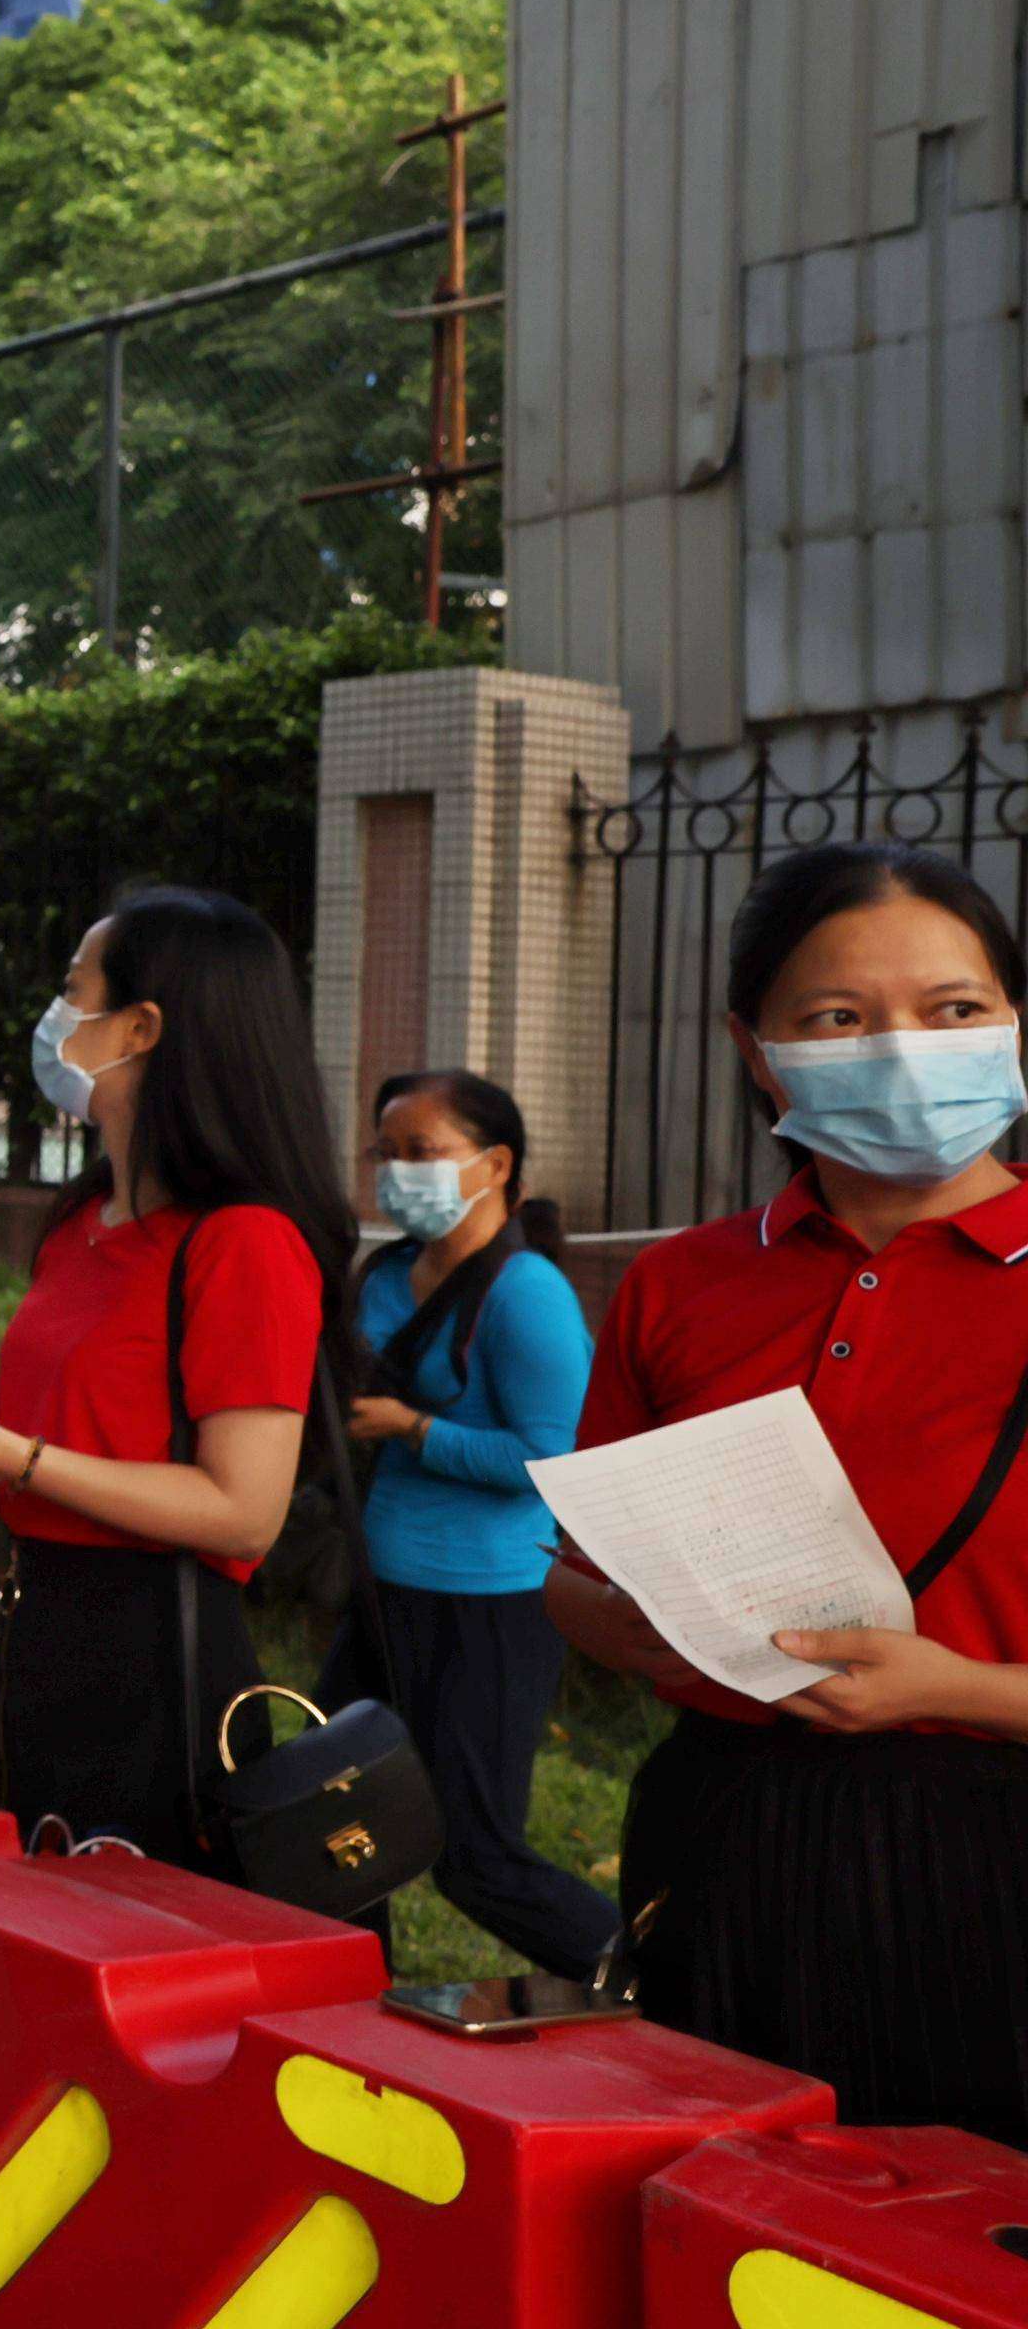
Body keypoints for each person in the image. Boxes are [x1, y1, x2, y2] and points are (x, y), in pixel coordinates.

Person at [553, 841, 1028, 2144]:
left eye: (954, 1011)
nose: (902, 1051)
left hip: (992, 1848)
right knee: (711, 2207)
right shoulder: (682, 1285)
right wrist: (625, 1618)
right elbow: (572, 1569)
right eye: (837, 1019)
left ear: (1014, 1023)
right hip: (722, 1829)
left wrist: (957, 1692)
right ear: (758, 1049)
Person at [0, 888, 349, 1871]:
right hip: (38, 1636)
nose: (53, 1019)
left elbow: (242, 1512)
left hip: (158, 1666)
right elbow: (62, 1469)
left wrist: (6, 1452)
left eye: (73, 992)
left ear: (141, 1028)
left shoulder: (246, 1244)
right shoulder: (81, 1222)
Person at [321, 1069, 616, 1978]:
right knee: (331, 1822)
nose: (399, 1173)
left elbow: (553, 1459)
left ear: (494, 1165)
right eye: (386, 1154)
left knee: (475, 1859)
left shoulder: (525, 1296)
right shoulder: (381, 1276)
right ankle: (340, 1997)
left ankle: (645, 1970)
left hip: (488, 1604)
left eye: (424, 1153)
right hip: (384, 1588)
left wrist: (416, 1431)